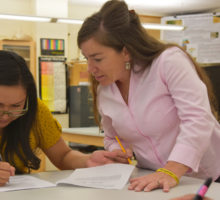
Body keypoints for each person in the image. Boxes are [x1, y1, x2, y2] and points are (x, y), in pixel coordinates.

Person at [77, 0, 220, 193]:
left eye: (98, 58)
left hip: (208, 177)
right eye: (87, 58)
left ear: (125, 51)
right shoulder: (106, 90)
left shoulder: (168, 62)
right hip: (156, 181)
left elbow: (198, 119)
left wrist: (172, 169)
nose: (90, 68)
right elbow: (112, 137)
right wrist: (116, 153)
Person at [0, 50, 120, 187]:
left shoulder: (36, 110)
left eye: (16, 106)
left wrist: (88, 161)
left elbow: (62, 156)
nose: (6, 115)